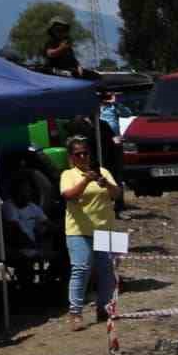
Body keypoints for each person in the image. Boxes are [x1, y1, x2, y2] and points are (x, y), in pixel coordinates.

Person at [58, 136, 119, 330]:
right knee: (81, 269)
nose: (83, 157)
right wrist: (86, 180)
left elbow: (117, 194)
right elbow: (68, 195)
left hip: (107, 228)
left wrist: (105, 184)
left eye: (85, 153)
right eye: (78, 154)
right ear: (71, 157)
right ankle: (75, 312)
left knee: (109, 271)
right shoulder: (68, 174)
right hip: (79, 230)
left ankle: (105, 307)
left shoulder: (104, 171)